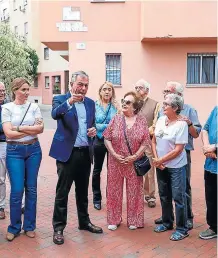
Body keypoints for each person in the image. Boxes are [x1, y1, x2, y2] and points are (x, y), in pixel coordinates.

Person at [50, 71, 103, 246]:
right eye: (80, 84)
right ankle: (58, 228)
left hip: (85, 152)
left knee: (82, 192)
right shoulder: (60, 99)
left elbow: (92, 123)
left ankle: (84, 222)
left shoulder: (90, 103)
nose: (83, 88)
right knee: (62, 192)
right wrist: (70, 102)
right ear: (72, 84)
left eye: (86, 85)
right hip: (67, 153)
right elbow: (55, 114)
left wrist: (93, 131)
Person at [155, 81, 201, 230]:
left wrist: (188, 124)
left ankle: (187, 219)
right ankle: (167, 218)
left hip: (181, 153)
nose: (166, 93)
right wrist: (158, 158)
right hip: (164, 155)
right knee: (165, 190)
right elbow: (157, 135)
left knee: (182, 188)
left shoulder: (189, 110)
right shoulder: (163, 114)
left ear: (178, 95)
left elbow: (195, 134)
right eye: (165, 90)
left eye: (169, 91)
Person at [2, 78, 44, 241]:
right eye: (23, 90)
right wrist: (30, 129)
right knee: (17, 189)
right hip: (14, 151)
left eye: (28, 89)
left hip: (34, 150)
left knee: (31, 189)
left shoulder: (34, 106)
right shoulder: (7, 108)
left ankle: (29, 226)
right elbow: (8, 134)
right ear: (15, 90)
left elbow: (40, 128)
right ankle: (14, 227)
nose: (27, 93)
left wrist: (19, 128)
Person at [103, 91, 151, 231]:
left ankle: (134, 220)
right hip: (115, 161)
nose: (124, 103)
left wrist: (135, 156)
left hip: (133, 161)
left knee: (135, 191)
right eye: (123, 100)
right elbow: (106, 137)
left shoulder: (141, 120)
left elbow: (145, 141)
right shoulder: (116, 118)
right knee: (113, 190)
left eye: (128, 102)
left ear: (135, 107)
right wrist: (114, 154)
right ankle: (114, 219)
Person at [152, 93, 189, 241]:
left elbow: (178, 149)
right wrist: (157, 160)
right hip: (161, 165)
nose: (163, 106)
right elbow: (153, 140)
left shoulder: (182, 125)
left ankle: (182, 228)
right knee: (164, 195)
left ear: (175, 108)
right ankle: (167, 222)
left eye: (166, 104)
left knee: (178, 197)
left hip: (176, 166)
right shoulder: (161, 120)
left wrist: (161, 159)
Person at [92, 82, 119, 210]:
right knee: (97, 170)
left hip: (113, 142)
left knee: (112, 171)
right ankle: (97, 198)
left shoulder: (116, 107)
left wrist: (101, 126)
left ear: (112, 92)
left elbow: (118, 125)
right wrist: (108, 126)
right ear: (100, 91)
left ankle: (111, 198)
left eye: (109, 89)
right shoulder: (94, 106)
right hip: (98, 141)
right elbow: (93, 124)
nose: (107, 92)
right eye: (104, 89)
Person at [134, 79, 160, 208]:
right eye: (136, 87)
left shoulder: (155, 104)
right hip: (133, 141)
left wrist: (143, 132)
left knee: (149, 168)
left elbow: (155, 123)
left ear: (147, 90)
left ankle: (150, 196)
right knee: (134, 168)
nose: (137, 90)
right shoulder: (133, 103)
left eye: (140, 88)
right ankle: (137, 194)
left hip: (148, 141)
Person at [199, 106, 217, 240]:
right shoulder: (216, 109)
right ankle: (214, 227)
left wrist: (215, 147)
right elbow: (205, 128)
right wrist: (207, 147)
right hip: (211, 163)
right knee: (211, 198)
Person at [0, 82, 7, 220]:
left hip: (7, 144)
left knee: (15, 178)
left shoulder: (8, 106)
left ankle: (21, 205)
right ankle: (1, 206)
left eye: (3, 90)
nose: (2, 93)